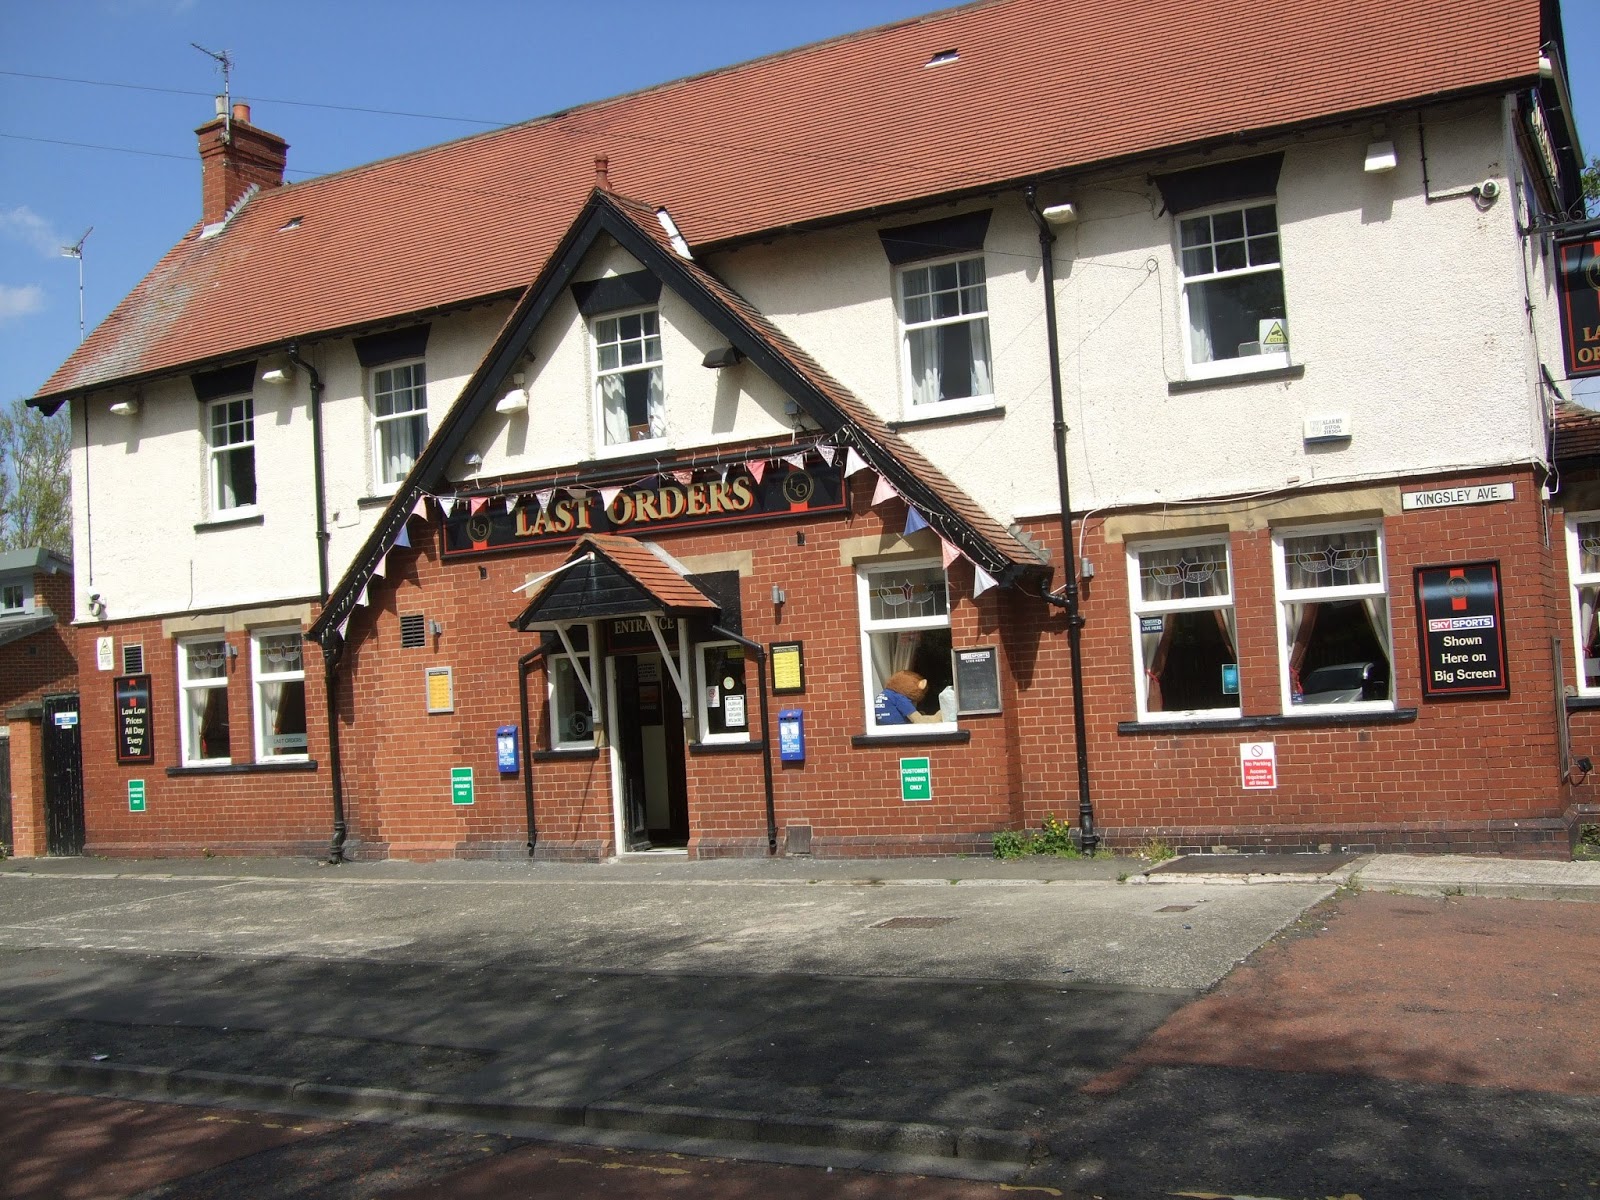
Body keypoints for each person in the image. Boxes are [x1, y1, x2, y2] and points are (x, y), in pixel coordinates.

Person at [874, 671, 942, 725]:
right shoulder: (899, 698)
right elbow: (918, 720)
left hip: (883, 730)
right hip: (900, 731)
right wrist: (937, 718)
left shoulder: (885, 694)